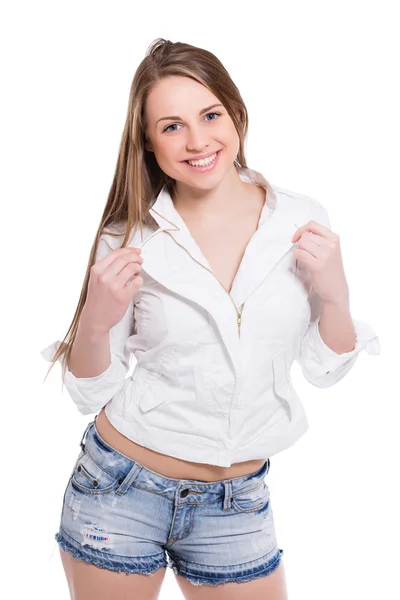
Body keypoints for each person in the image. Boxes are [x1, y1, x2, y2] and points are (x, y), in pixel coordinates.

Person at [41, 38, 380, 600]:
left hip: (238, 500)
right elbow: (90, 389)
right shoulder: (127, 238)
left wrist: (337, 296)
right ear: (148, 143)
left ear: (236, 114)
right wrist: (96, 323)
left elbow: (324, 369)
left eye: (210, 115)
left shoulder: (300, 219)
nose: (198, 141)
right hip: (120, 489)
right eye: (171, 126)